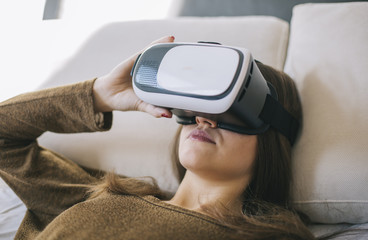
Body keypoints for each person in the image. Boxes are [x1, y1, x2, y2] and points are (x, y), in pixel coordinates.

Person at [0, 36, 316, 240]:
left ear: (274, 131)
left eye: (233, 109)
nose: (204, 119)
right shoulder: (102, 193)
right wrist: (99, 95)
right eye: (197, 105)